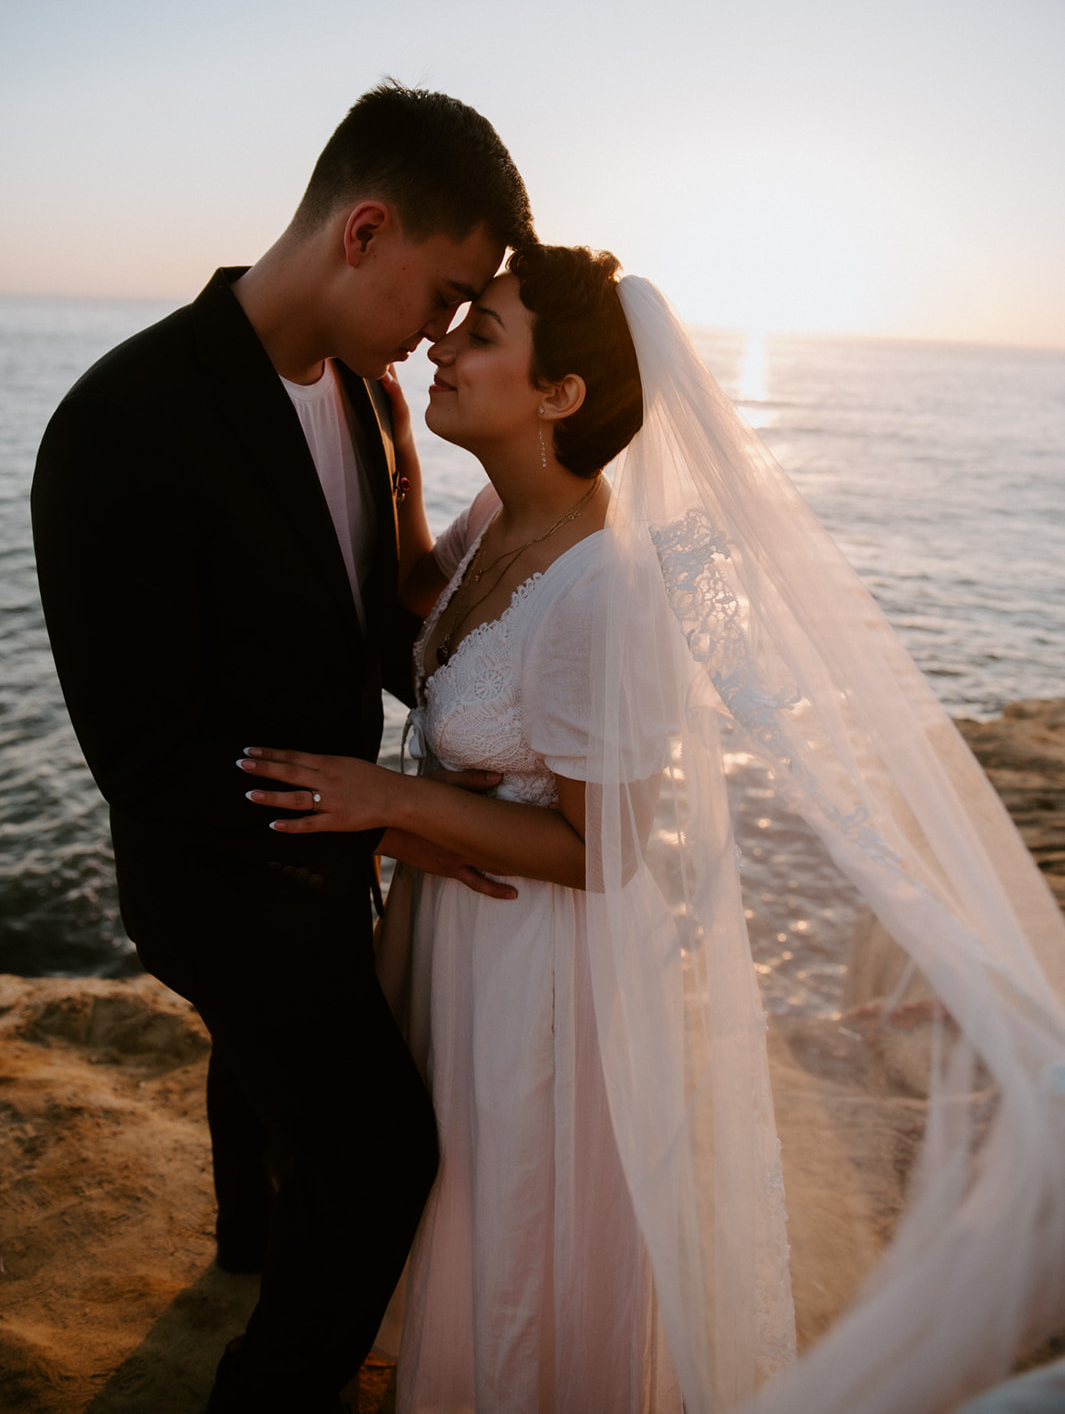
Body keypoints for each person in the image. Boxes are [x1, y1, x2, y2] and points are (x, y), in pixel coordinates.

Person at [238, 246, 1065, 1414]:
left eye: (481, 333)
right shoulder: (502, 514)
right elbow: (427, 600)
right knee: (446, 1207)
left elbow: (609, 851)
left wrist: (390, 802)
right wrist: (389, 448)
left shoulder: (603, 589)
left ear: (560, 395)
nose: (441, 344)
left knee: (516, 1220)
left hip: (537, 971)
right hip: (458, 932)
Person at [30, 82, 534, 1414]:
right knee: (377, 1155)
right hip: (215, 877)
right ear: (363, 230)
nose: (442, 335)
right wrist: (393, 819)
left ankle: (245, 1242)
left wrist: (521, 543)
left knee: (264, 1083)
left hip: (333, 848)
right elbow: (143, 756)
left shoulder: (364, 402)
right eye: (444, 295)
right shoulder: (121, 424)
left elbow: (376, 633)